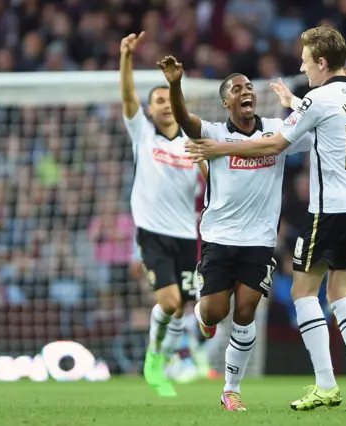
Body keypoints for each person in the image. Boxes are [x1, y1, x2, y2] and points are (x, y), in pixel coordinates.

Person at [186, 25, 346, 412]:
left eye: (306, 60)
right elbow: (326, 116)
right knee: (341, 294)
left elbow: (279, 141)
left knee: (303, 293)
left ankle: (326, 384)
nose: (302, 65)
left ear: (322, 62)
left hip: (331, 211)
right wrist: (293, 99)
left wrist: (220, 146)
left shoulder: (318, 98)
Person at [120, 32, 206, 398]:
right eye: (157, 101)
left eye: (168, 98)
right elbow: (127, 98)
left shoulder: (194, 144)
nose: (164, 105)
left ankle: (167, 359)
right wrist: (126, 58)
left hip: (187, 234)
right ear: (151, 110)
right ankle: (154, 360)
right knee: (169, 302)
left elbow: (214, 182)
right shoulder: (143, 136)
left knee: (180, 308)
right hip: (152, 232)